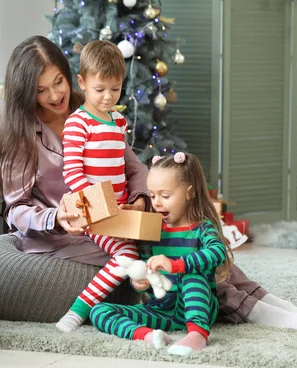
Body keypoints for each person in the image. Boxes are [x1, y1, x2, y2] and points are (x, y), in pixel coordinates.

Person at [0, 35, 297, 333]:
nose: (55, 95)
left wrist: (138, 199)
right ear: (27, 93)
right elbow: (16, 211)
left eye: (58, 81)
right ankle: (253, 310)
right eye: (41, 89)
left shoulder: (93, 109)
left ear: (70, 76)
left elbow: (132, 165)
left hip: (118, 217)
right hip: (69, 237)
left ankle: (262, 298)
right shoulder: (20, 138)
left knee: (188, 233)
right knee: (175, 249)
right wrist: (57, 219)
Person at [90, 152, 233, 356]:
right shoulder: (153, 231)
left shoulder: (202, 228)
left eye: (165, 196)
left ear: (189, 193)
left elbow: (217, 252)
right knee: (99, 311)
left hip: (196, 308)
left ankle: (197, 334)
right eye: (152, 195)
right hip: (160, 311)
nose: (157, 203)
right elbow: (145, 268)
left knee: (193, 274)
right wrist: (140, 282)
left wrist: (176, 265)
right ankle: (148, 336)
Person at [57, 40, 140, 332]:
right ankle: (78, 311)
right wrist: (100, 205)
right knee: (128, 255)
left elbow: (121, 167)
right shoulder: (78, 123)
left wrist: (127, 204)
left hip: (120, 209)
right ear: (82, 82)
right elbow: (73, 174)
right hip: (94, 211)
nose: (108, 97)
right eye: (100, 89)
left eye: (115, 89)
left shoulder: (118, 121)